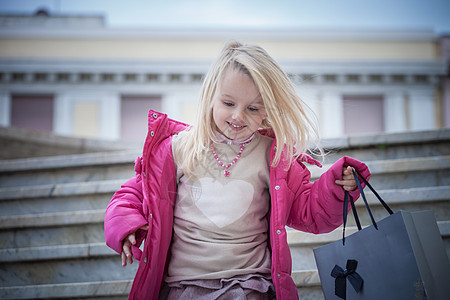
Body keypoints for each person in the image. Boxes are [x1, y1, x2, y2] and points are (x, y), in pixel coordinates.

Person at [104, 40, 370, 300]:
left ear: (268, 110)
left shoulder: (273, 155)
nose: (238, 116)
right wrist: (127, 226)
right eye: (229, 104)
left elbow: (309, 212)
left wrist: (336, 186)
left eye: (253, 108)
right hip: (184, 285)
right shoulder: (178, 149)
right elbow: (133, 195)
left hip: (250, 284)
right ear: (211, 97)